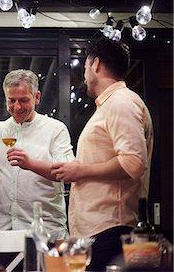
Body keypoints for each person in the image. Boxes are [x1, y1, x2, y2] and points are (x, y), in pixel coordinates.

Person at [51, 38, 154, 271]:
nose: (85, 75)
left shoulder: (121, 102)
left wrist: (80, 170)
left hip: (109, 230)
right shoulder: (111, 105)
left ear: (95, 64)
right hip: (100, 231)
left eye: (85, 67)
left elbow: (133, 163)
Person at [0, 69, 74, 269]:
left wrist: (32, 164)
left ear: (37, 97)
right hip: (2, 234)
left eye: (23, 100)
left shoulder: (55, 129)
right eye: (11, 100)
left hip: (46, 233)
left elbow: (68, 171)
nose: (16, 107)